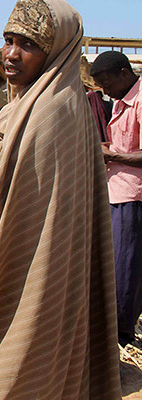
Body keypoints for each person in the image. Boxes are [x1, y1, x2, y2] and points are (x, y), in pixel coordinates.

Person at [0, 0, 120, 399]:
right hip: (41, 269)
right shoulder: (37, 103)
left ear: (57, 51)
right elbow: (12, 175)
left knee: (21, 372)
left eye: (29, 45)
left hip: (33, 279)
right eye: (8, 39)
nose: (11, 55)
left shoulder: (51, 112)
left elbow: (3, 205)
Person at [90, 51, 142, 346]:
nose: (105, 92)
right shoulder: (121, 101)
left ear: (124, 73)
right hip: (117, 191)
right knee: (118, 264)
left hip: (132, 195)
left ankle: (121, 334)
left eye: (107, 84)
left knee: (125, 267)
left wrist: (111, 154)